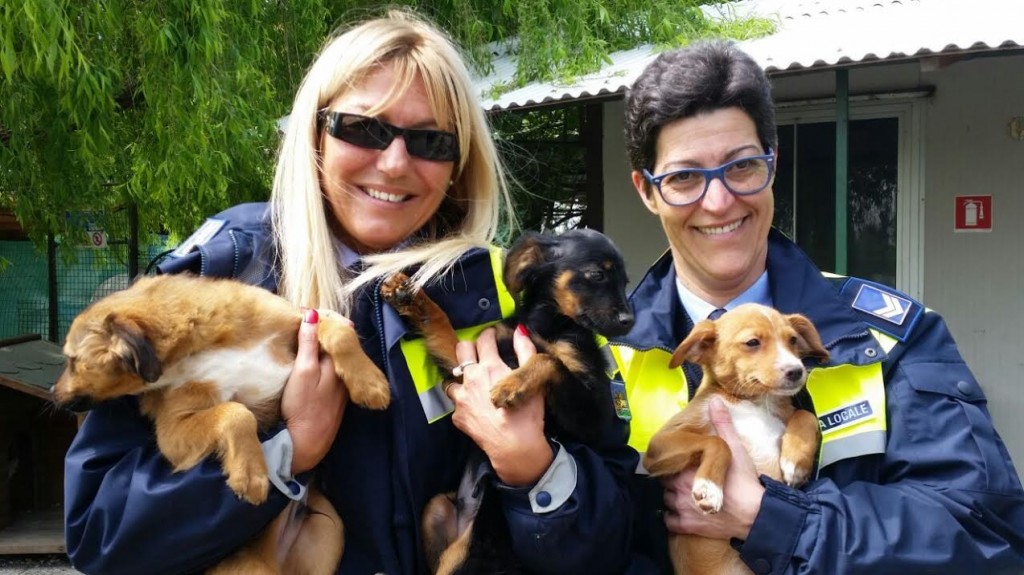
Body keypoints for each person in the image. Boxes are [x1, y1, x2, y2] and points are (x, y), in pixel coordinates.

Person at [63, 10, 635, 574]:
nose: (393, 163)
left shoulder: (502, 290)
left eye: (431, 141)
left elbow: (612, 539)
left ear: (459, 164)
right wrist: (290, 451)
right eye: (364, 128)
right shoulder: (215, 277)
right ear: (315, 133)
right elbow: (101, 536)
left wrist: (531, 468)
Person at [611, 39, 1024, 573]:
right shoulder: (598, 352)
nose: (717, 202)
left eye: (741, 167)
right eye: (684, 177)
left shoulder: (889, 337)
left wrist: (774, 520)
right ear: (647, 192)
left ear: (773, 164)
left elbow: (987, 535)